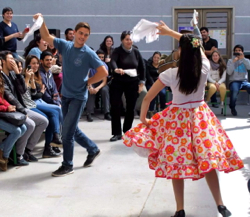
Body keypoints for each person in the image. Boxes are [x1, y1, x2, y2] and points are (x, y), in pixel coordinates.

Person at [123, 21, 243, 217]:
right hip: (200, 118)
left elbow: (147, 98)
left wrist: (144, 118)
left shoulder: (170, 74)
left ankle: (180, 209)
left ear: (180, 53)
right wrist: (170, 32)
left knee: (176, 164)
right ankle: (220, 204)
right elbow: (197, 45)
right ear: (196, 52)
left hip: (177, 121)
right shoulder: (204, 68)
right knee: (208, 162)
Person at [33, 13, 108, 177]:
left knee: (66, 133)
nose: (83, 37)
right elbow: (45, 35)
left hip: (78, 97)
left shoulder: (88, 53)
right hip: (65, 96)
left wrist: (88, 82)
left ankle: (67, 165)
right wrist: (42, 21)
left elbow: (103, 71)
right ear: (75, 33)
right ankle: (92, 149)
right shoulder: (65, 46)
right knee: (71, 130)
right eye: (81, 33)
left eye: (86, 35)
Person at [0, 50, 48, 165]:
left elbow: (22, 91)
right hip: (12, 109)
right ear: (3, 61)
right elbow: (10, 97)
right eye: (10, 60)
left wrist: (17, 73)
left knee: (43, 121)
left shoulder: (12, 73)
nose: (13, 62)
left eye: (13, 59)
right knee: (30, 124)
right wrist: (22, 111)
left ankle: (27, 150)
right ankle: (17, 154)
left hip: (20, 107)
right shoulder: (1, 77)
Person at [23, 55, 62, 157]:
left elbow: (47, 91)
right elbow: (33, 95)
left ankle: (52, 144)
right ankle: (57, 137)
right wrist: (40, 92)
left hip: (38, 101)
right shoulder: (27, 75)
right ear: (28, 65)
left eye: (36, 63)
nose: (35, 65)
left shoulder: (37, 75)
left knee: (54, 113)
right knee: (56, 110)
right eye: (33, 63)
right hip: (33, 103)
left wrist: (40, 93)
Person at [110, 30, 145, 142]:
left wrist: (142, 83)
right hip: (118, 81)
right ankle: (116, 133)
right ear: (122, 40)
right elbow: (113, 62)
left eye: (130, 39)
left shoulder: (135, 52)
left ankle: (127, 131)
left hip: (132, 82)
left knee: (130, 107)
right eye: (127, 39)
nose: (129, 41)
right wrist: (116, 69)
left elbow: (142, 68)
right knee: (115, 106)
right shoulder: (117, 51)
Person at [0, 57, 27, 171]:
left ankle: (2, 149)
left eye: (0, 65)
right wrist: (6, 108)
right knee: (16, 130)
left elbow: (2, 99)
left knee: (24, 127)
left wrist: (8, 107)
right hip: (2, 113)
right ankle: (4, 157)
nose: (0, 68)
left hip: (2, 113)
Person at [86, 49, 111, 122]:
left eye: (102, 57)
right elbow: (87, 78)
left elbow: (104, 81)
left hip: (101, 84)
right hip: (92, 82)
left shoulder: (105, 66)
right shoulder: (90, 65)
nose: (100, 59)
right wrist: (90, 87)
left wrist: (97, 89)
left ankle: (107, 113)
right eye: (99, 57)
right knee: (90, 91)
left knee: (105, 90)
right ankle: (89, 113)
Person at [227, 44, 250, 116]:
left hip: (244, 81)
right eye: (236, 51)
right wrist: (234, 62)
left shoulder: (246, 60)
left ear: (242, 52)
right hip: (234, 81)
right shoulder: (230, 61)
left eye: (239, 50)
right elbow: (229, 72)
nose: (238, 52)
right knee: (234, 91)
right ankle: (232, 107)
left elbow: (249, 68)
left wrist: (243, 59)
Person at [200, 27, 219, 107]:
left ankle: (213, 101)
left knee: (212, 82)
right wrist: (209, 52)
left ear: (207, 33)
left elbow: (214, 52)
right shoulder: (199, 42)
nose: (202, 34)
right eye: (201, 32)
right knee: (203, 82)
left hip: (211, 64)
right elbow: (199, 52)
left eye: (204, 32)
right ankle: (202, 100)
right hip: (201, 64)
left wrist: (204, 51)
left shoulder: (213, 41)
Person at [146, 51, 167, 117]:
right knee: (153, 93)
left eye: (158, 58)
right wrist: (153, 83)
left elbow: (164, 75)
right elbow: (148, 76)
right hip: (151, 83)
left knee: (163, 93)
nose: (156, 59)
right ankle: (151, 110)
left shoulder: (162, 65)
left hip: (161, 83)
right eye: (155, 57)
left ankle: (162, 109)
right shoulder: (148, 65)